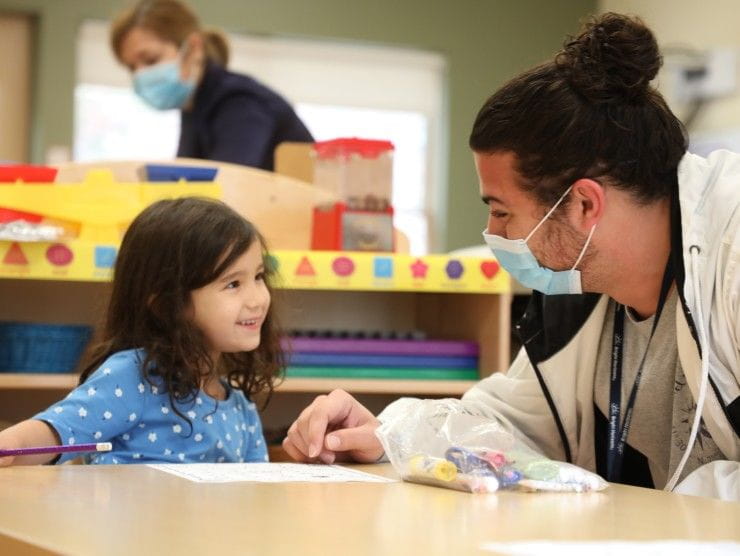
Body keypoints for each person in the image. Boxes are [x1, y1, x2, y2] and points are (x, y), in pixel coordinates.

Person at [282, 13, 740, 501]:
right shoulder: (581, 282)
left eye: (502, 212)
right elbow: (511, 420)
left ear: (584, 204)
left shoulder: (729, 260)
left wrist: (667, 511)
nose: (491, 232)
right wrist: (387, 434)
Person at [0, 197, 283, 465]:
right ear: (166, 304)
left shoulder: (241, 409)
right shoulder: (135, 377)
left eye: (259, 277)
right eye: (233, 284)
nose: (258, 299)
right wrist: (9, 446)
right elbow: (56, 432)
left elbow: (256, 490)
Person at [109, 0, 314, 171]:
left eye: (151, 59)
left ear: (194, 48)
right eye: (131, 68)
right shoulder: (195, 109)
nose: (140, 74)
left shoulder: (239, 103)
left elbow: (223, 198)